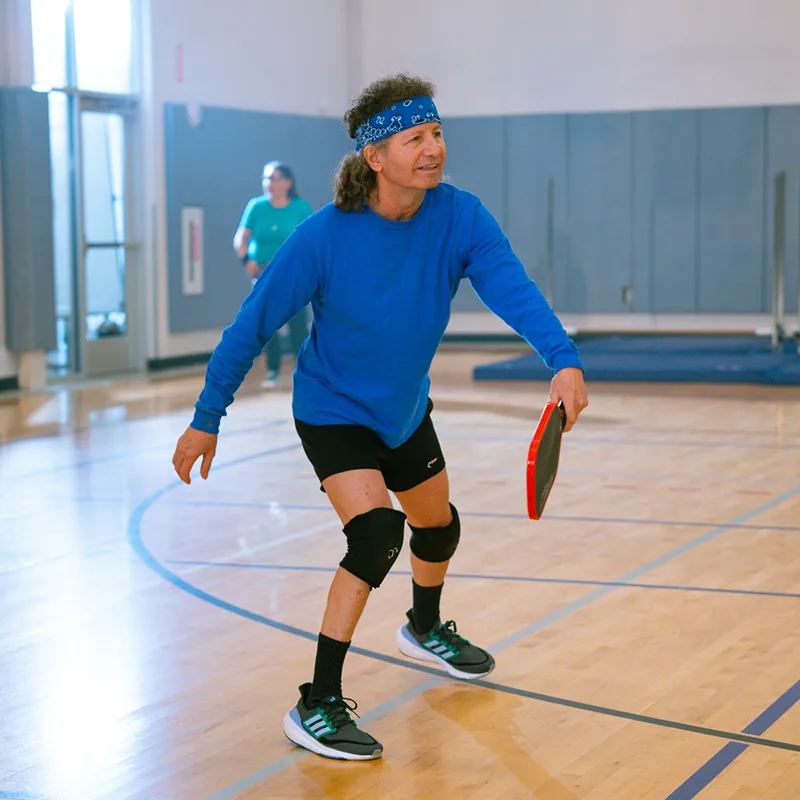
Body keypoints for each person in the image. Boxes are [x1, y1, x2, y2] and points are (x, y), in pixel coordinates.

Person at [172, 73, 588, 761]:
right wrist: (206, 416)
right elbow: (250, 326)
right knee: (375, 535)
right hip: (334, 409)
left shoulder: (461, 217)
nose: (433, 149)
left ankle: (425, 627)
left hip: (402, 409)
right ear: (374, 157)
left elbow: (511, 285)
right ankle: (318, 702)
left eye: (436, 133)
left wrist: (562, 356)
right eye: (414, 138)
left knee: (439, 525)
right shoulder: (322, 238)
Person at [233, 161, 313, 388]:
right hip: (263, 272)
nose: (270, 183)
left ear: (288, 182)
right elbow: (241, 238)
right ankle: (272, 371)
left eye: (276, 178)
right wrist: (245, 260)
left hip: (292, 274)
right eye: (267, 178)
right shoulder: (256, 207)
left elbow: (308, 242)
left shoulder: (301, 208)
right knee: (268, 324)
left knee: (298, 325)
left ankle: (305, 373)